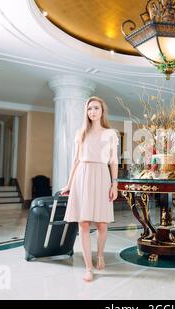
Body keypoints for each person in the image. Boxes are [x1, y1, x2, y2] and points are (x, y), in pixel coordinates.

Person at [61, 96, 119, 282]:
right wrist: (69, 184)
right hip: (82, 176)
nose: (92, 111)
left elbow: (113, 161)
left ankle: (100, 254)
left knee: (101, 224)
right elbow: (76, 160)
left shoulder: (110, 133)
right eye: (89, 109)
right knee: (83, 223)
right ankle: (88, 267)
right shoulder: (81, 133)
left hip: (102, 175)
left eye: (96, 108)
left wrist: (114, 184)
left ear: (102, 111)